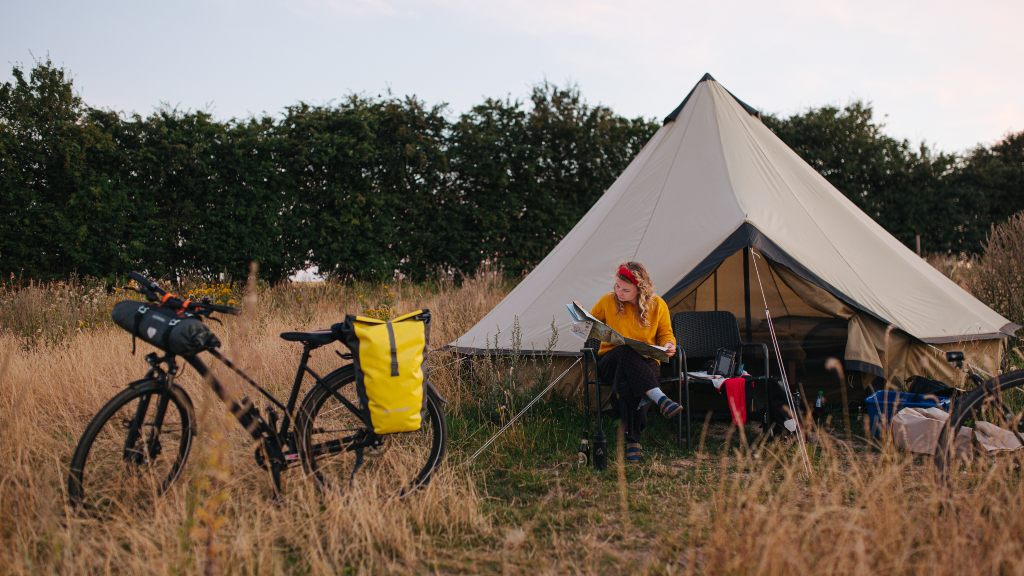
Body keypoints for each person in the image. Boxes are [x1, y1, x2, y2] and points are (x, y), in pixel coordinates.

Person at [591, 261, 679, 463]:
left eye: (625, 290)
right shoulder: (607, 301)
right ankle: (659, 398)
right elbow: (588, 325)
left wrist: (668, 345)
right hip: (610, 361)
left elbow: (666, 334)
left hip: (645, 362)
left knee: (630, 380)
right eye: (617, 287)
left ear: (639, 289)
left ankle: (633, 441)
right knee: (624, 350)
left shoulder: (657, 305)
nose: (619, 292)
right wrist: (584, 323)